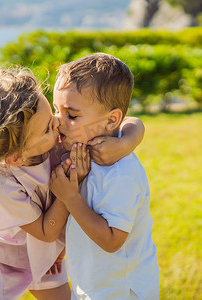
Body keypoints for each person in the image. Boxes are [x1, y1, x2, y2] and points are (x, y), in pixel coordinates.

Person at [0, 68, 145, 300]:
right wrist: (70, 188)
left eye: (51, 112)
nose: (57, 122)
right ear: (16, 158)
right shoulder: (2, 183)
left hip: (42, 250)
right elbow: (46, 231)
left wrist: (126, 144)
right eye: (46, 127)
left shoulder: (53, 138)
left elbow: (130, 121)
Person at [50, 53, 159, 300]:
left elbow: (112, 240)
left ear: (112, 120)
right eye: (57, 109)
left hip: (121, 290)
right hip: (94, 284)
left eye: (72, 115)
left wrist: (70, 198)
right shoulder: (80, 150)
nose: (58, 121)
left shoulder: (120, 174)